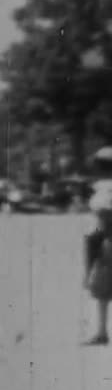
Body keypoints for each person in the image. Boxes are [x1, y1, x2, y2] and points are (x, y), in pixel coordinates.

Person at [83, 147, 112, 346]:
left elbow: (100, 221)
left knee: (103, 291)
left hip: (107, 241)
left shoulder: (100, 189)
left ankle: (102, 332)